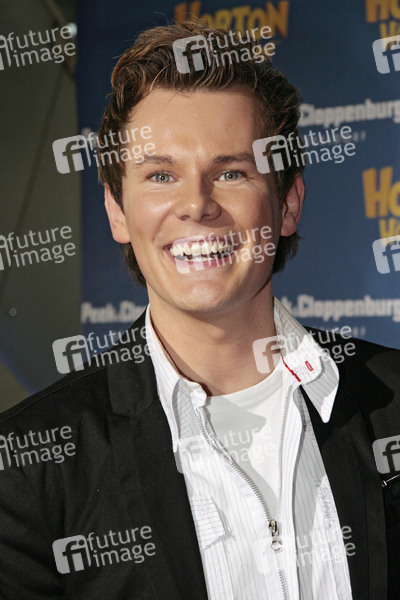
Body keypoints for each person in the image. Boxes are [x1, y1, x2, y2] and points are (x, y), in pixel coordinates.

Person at [0, 19, 399, 600]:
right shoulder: (28, 466)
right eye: (161, 175)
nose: (196, 204)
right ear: (117, 211)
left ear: (288, 204)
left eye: (231, 172)